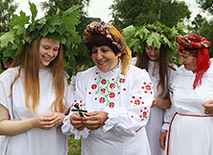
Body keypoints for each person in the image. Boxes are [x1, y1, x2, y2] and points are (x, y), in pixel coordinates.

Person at [62, 21, 154, 155]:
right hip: (93, 149)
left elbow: (138, 117)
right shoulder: (84, 77)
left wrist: (107, 117)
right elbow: (78, 107)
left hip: (128, 149)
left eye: (104, 50)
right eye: (94, 51)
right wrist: (75, 119)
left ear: (118, 52)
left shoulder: (138, 76)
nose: (98, 57)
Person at [0, 3, 78, 155]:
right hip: (20, 150)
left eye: (55, 49)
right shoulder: (9, 78)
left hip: (53, 149)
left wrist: (62, 118)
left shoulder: (62, 78)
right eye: (46, 47)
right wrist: (33, 123)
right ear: (33, 47)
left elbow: (72, 116)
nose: (51, 53)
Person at [125, 23, 178, 155]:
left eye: (157, 48)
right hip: (133, 115)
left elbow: (171, 103)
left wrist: (156, 101)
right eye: (149, 48)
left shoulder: (171, 69)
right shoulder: (131, 65)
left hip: (156, 119)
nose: (153, 53)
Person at [160, 34, 213, 155]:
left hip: (205, 132)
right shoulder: (179, 73)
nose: (181, 61)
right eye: (180, 56)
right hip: (179, 131)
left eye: (185, 57)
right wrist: (166, 128)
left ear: (199, 57)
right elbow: (173, 105)